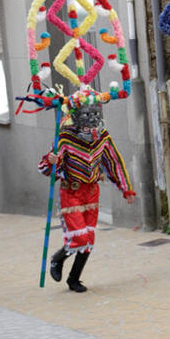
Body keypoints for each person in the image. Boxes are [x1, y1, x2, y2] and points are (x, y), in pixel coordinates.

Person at [39, 91, 135, 293]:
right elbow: (47, 171)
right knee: (79, 238)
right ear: (76, 116)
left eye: (95, 114)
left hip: (92, 194)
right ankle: (57, 259)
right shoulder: (64, 138)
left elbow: (114, 162)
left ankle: (74, 279)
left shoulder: (104, 137)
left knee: (89, 241)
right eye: (86, 115)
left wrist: (126, 189)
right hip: (71, 193)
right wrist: (51, 160)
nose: (91, 120)